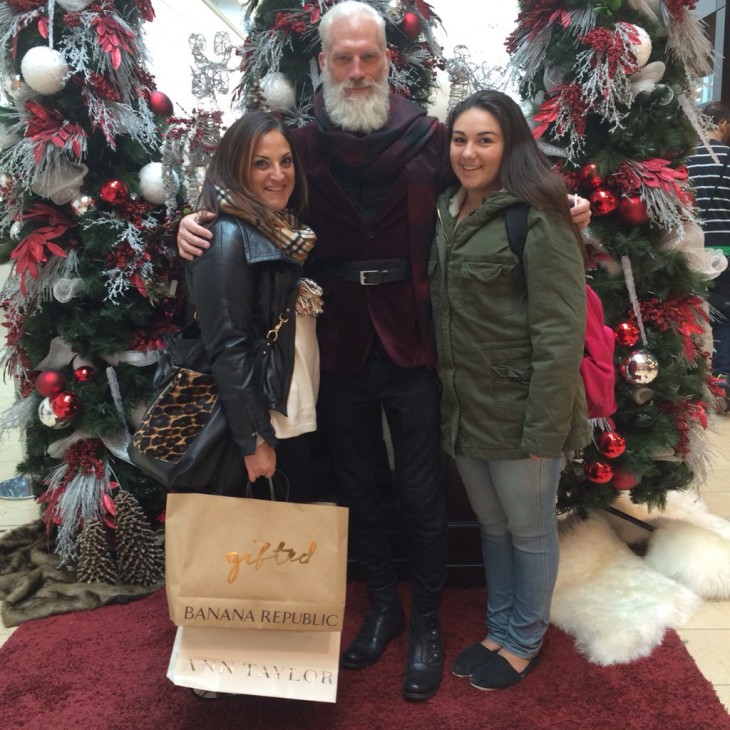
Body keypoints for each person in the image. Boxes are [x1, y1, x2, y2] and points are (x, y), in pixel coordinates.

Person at [177, 1, 591, 702]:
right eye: (344, 58)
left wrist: (565, 206)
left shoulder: (432, 137)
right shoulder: (301, 145)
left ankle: (428, 619)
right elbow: (255, 189)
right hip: (335, 341)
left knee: (423, 490)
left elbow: (493, 181)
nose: (358, 70)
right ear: (325, 64)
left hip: (417, 340)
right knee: (357, 489)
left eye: (370, 57)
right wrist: (195, 219)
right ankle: (384, 609)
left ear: (389, 60)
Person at [430, 89, 591, 691]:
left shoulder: (537, 214)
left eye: (485, 140)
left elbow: (560, 330)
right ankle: (499, 626)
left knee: (529, 528)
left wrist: (545, 427)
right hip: (465, 407)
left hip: (523, 409)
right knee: (492, 527)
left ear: (510, 145)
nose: (469, 153)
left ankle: (525, 637)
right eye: (460, 139)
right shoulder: (448, 210)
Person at [186, 110, 321, 511]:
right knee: (253, 551)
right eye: (260, 163)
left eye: (285, 161)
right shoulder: (225, 235)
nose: (277, 175)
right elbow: (229, 345)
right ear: (235, 168)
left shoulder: (283, 229)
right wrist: (254, 439)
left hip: (286, 410)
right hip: (261, 421)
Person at [686, 101, 730, 409]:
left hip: (692, 250)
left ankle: (693, 379)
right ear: (723, 123)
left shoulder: (684, 161)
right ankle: (722, 382)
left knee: (693, 314)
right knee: (725, 317)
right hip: (727, 251)